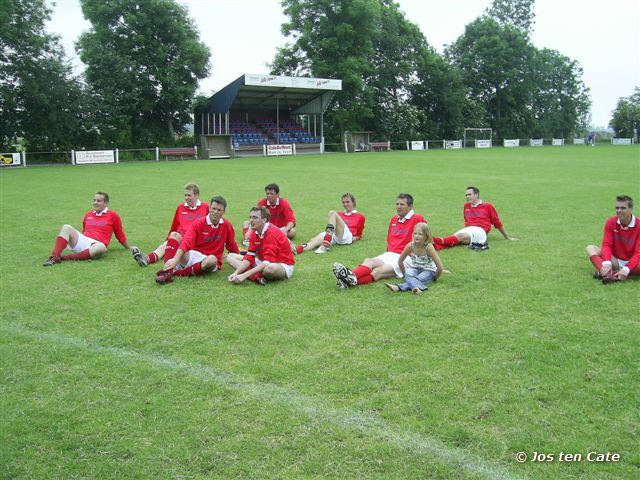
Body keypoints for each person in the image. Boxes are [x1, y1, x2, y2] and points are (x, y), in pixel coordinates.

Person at [332, 193, 426, 288]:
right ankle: (348, 278)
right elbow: (390, 240)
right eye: (397, 204)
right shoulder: (394, 219)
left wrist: (428, 262)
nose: (398, 207)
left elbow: (427, 238)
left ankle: (347, 279)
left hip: (406, 258)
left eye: (402, 204)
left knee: (378, 271)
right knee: (369, 261)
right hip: (391, 253)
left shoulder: (417, 218)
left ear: (410, 206)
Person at [155, 196, 239, 284]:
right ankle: (167, 271)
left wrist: (241, 260)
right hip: (193, 256)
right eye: (213, 208)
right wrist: (175, 260)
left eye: (219, 210)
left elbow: (231, 244)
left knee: (212, 259)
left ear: (224, 212)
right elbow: (186, 242)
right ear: (209, 208)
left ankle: (176, 272)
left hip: (210, 261)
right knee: (174, 235)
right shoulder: (198, 223)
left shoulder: (227, 225)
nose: (215, 212)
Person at [43, 191, 131, 266]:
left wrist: (129, 248)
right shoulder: (88, 215)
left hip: (97, 245)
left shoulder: (113, 215)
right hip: (83, 241)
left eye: (99, 201)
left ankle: (64, 258)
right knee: (66, 227)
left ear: (106, 203)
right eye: (94, 200)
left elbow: (120, 234)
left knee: (102, 248)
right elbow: (84, 231)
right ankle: (54, 257)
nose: (95, 202)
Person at [132, 183, 209, 267]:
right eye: (185, 195)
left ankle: (167, 267)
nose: (186, 198)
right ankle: (146, 259)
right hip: (179, 237)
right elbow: (174, 226)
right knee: (164, 245)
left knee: (170, 245)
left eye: (189, 195)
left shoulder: (206, 207)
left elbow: (213, 226)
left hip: (193, 241)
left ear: (197, 195)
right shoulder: (180, 207)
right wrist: (168, 241)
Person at [432, 186, 516, 251]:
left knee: (460, 236)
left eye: (469, 194)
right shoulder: (466, 206)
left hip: (480, 231)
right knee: (455, 238)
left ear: (476, 195)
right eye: (466, 195)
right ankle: (434, 246)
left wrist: (507, 237)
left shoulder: (487, 206)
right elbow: (466, 220)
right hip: (469, 229)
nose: (467, 197)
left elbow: (497, 223)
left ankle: (435, 239)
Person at [228, 206, 295, 285]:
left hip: (281, 264)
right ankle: (258, 278)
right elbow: (249, 256)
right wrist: (236, 273)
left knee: (270, 269)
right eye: (250, 217)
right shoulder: (254, 231)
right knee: (230, 257)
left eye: (255, 218)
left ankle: (255, 275)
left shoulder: (272, 233)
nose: (251, 220)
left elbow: (268, 262)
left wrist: (244, 275)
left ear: (264, 220)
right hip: (264, 261)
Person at [586, 195, 640, 283]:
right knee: (590, 248)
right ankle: (608, 274)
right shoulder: (611, 222)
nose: (619, 211)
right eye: (617, 208)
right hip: (615, 261)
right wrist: (607, 263)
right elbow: (606, 244)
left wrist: (627, 268)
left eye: (623, 208)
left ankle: (609, 275)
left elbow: (639, 252)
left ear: (631, 209)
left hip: (634, 262)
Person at [293, 192, 365, 254]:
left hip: (346, 236)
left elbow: (359, 234)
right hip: (334, 235)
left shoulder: (360, 216)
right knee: (314, 240)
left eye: (347, 202)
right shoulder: (339, 214)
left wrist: (355, 238)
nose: (345, 204)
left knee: (332, 213)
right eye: (343, 202)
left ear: (353, 202)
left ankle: (326, 244)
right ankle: (296, 250)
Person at [385, 222, 443, 295]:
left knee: (420, 278)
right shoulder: (410, 245)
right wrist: (405, 275)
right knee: (409, 272)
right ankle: (416, 288)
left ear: (426, 236)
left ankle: (398, 287)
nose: (417, 236)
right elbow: (400, 261)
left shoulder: (429, 247)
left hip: (428, 270)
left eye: (420, 234)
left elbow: (440, 267)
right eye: (415, 233)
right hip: (415, 269)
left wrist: (435, 278)